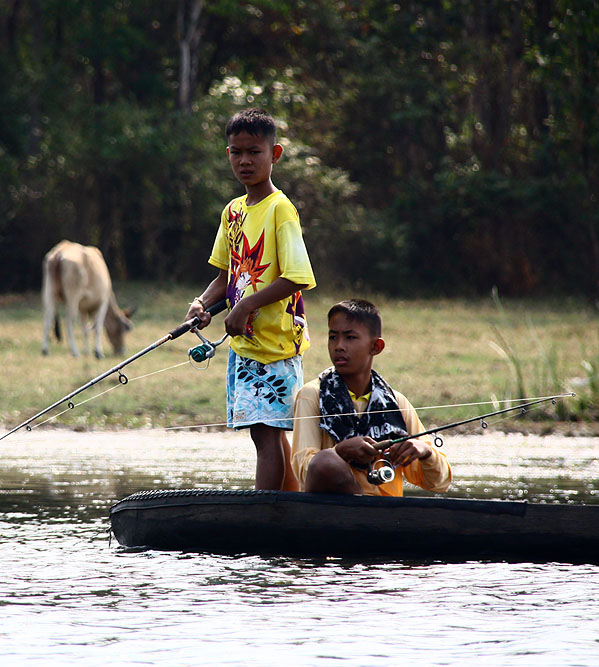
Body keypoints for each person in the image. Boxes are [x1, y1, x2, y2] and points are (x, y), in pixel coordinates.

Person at [186, 108, 316, 491]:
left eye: (254, 152)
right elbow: (227, 275)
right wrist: (202, 304)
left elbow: (297, 277)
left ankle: (266, 510)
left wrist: (245, 305)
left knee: (265, 433)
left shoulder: (281, 210)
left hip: (276, 345)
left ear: (274, 155)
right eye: (235, 152)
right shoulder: (234, 212)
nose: (244, 160)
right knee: (268, 433)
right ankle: (290, 507)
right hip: (245, 347)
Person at [291, 299, 451, 495]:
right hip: (333, 511)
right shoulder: (313, 395)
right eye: (333, 337)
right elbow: (304, 471)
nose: (339, 346)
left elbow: (439, 483)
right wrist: (340, 452)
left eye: (350, 338)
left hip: (385, 516)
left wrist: (424, 451)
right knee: (326, 461)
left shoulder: (396, 402)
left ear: (376, 347)